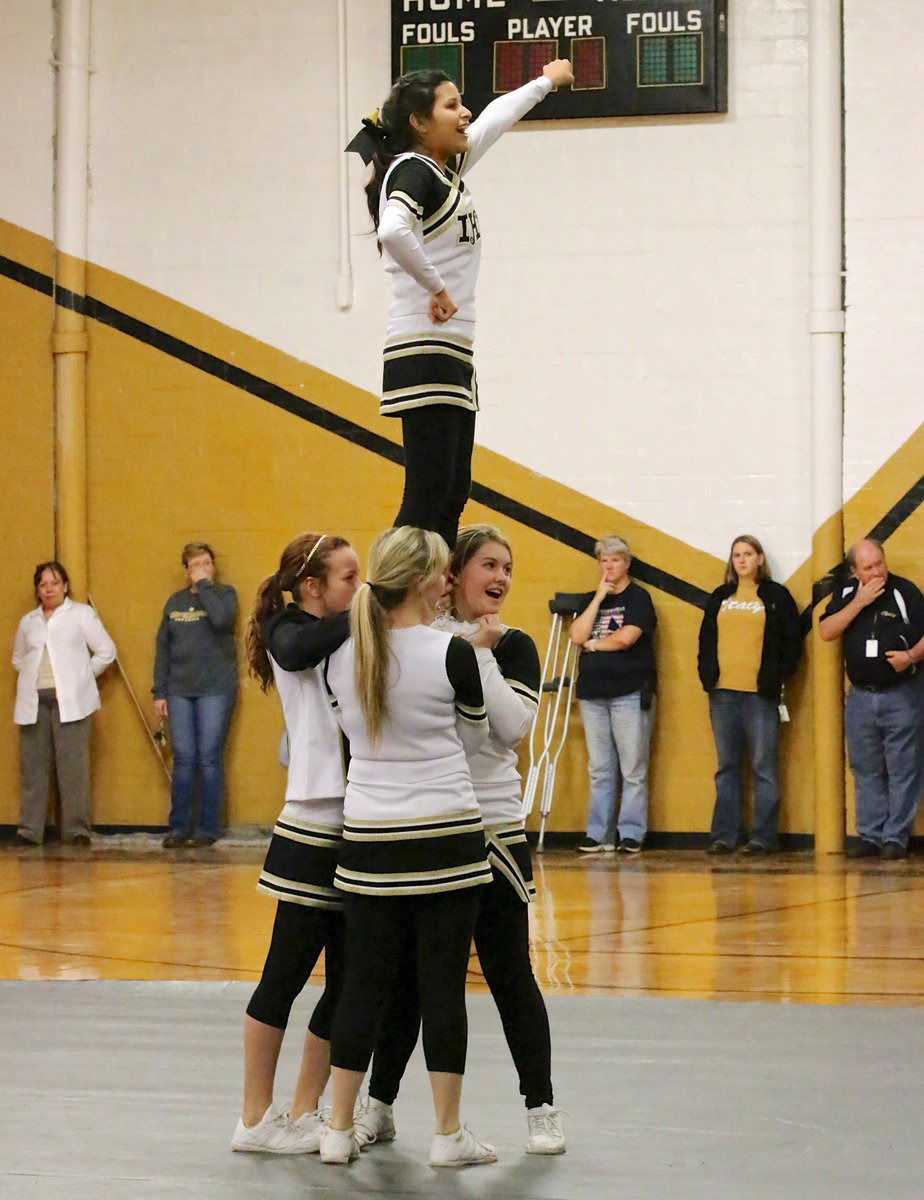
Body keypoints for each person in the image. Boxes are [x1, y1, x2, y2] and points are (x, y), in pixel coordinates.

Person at [356, 524, 565, 1156]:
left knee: (510, 974)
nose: (500, 578)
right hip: (435, 829)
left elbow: (512, 727)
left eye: (508, 568)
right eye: (488, 565)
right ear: (452, 575)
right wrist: (464, 651)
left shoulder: (517, 644)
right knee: (413, 983)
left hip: (495, 828)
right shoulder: (419, 643)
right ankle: (378, 1105)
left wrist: (478, 653)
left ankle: (542, 1107)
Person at [319, 526, 494, 1168]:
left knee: (361, 984)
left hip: (366, 838)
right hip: (447, 837)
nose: (451, 582)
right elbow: (476, 744)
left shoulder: (343, 655)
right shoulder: (453, 654)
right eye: (446, 572)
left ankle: (337, 1129)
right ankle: (447, 1135)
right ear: (425, 580)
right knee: (442, 988)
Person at [357, 58, 574, 547]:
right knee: (428, 492)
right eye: (450, 105)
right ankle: (391, 609)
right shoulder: (413, 171)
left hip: (452, 350)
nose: (465, 113)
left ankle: (430, 604)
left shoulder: (441, 169)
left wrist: (544, 82)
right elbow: (393, 229)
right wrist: (435, 288)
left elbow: (494, 121)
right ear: (418, 122)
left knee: (453, 492)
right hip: (424, 345)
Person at [231, 532, 360, 1154]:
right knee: (284, 972)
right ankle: (255, 1118)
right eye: (349, 578)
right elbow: (302, 647)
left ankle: (307, 1108)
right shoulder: (291, 630)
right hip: (312, 820)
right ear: (312, 586)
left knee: (346, 977)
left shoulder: (346, 628)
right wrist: (372, 610)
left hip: (358, 821)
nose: (358, 590)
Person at [819, 538, 924, 859]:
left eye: (880, 563)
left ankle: (895, 837)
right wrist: (858, 603)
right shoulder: (848, 595)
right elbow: (826, 631)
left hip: (902, 693)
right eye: (868, 567)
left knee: (903, 767)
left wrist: (910, 656)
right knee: (865, 768)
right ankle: (871, 835)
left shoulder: (904, 591)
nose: (877, 571)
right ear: (854, 572)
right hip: (861, 696)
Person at [698, 535, 802, 854]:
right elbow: (705, 640)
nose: (741, 560)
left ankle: (763, 836)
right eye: (736, 555)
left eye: (747, 554)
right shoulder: (720, 596)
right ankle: (725, 834)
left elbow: (792, 641)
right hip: (723, 693)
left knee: (763, 766)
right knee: (727, 766)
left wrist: (776, 677)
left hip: (760, 694)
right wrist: (707, 676)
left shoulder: (775, 596)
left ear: (759, 558)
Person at [12, 561, 117, 846]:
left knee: (73, 768)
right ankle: (29, 830)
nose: (49, 589)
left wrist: (79, 679)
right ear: (38, 589)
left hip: (70, 703)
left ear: (65, 586)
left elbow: (106, 652)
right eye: (43, 584)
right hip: (34, 702)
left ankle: (76, 830)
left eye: (54, 583)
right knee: (33, 769)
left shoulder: (81, 615)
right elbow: (19, 658)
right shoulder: (28, 621)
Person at [570, 536, 657, 854]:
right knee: (600, 767)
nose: (609, 566)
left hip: (629, 691)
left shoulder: (639, 598)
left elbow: (627, 638)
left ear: (626, 563)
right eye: (604, 561)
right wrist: (598, 598)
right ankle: (598, 833)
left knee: (633, 767)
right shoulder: (591, 599)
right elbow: (577, 635)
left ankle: (631, 832)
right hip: (593, 693)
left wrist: (595, 644)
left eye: (615, 560)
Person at [153, 542, 238, 848]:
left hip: (215, 688)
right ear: (185, 570)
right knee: (184, 759)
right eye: (195, 565)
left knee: (209, 758)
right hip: (178, 690)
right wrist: (159, 691)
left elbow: (221, 620)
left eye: (206, 564)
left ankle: (207, 828)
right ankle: (178, 827)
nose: (201, 569)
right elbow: (163, 648)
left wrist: (204, 587)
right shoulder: (173, 603)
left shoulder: (225, 596)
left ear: (213, 567)